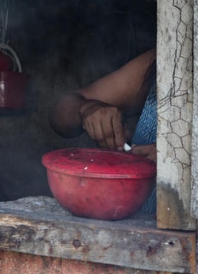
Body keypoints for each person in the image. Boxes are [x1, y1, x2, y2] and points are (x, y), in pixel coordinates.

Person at [50, 48, 157, 212]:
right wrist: (87, 109)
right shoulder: (160, 59)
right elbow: (60, 115)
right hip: (130, 218)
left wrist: (179, 160)